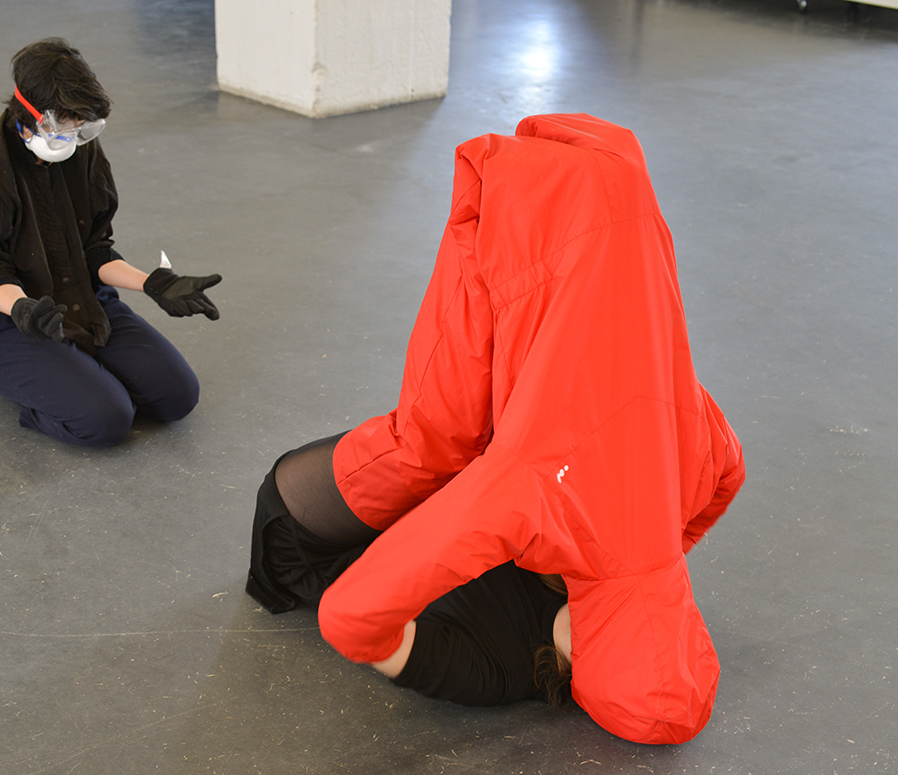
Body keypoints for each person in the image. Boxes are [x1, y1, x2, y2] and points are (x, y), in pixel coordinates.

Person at [247, 114, 746, 744]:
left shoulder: (496, 670)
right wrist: (661, 540)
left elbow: (351, 618)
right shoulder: (620, 536)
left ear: (581, 669)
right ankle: (533, 199)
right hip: (434, 501)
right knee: (492, 418)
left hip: (314, 534)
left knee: (434, 445)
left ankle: (510, 202)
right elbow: (725, 473)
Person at [0, 38, 221, 447]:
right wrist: (22, 308)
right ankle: (36, 392)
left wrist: (152, 284)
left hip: (82, 299)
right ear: (28, 112)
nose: (72, 138)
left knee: (177, 397)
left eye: (82, 128)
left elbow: (94, 248)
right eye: (63, 127)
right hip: (9, 321)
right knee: (106, 421)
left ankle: (74, 373)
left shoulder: (78, 149)